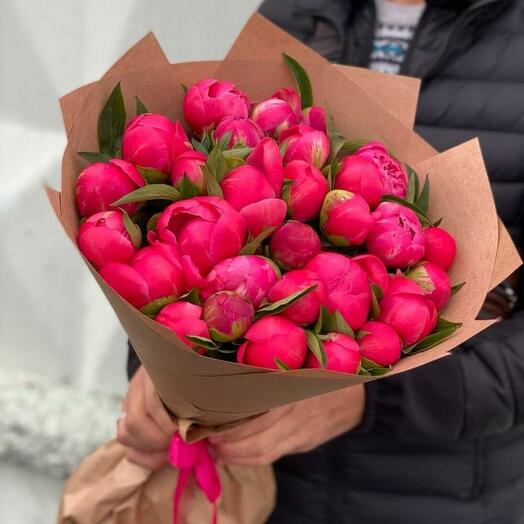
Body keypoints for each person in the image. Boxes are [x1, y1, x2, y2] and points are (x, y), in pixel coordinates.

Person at [121, 0, 524, 522]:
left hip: (438, 495)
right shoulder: (295, 10)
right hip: (267, 493)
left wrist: (367, 400)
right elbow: (170, 223)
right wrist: (160, 370)